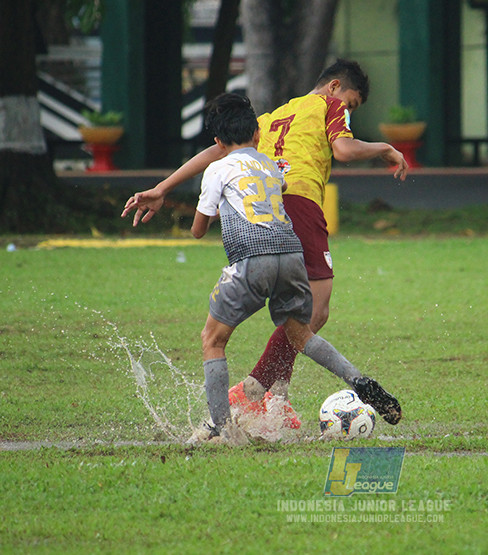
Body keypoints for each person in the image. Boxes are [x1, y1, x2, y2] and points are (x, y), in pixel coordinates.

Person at [123, 59, 408, 428]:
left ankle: (273, 397)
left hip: (261, 214)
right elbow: (344, 151)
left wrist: (163, 188)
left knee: (288, 318)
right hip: (300, 204)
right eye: (352, 104)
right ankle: (258, 391)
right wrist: (385, 147)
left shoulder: (271, 117)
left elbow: (218, 152)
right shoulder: (330, 105)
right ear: (336, 87)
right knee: (314, 314)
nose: (348, 112)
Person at [188, 93, 400, 443]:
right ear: (258, 135)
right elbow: (281, 186)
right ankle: (359, 381)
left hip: (252, 260)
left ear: (217, 142)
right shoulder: (271, 165)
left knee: (213, 340)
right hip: (291, 256)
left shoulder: (216, 168)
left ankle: (221, 429)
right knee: (300, 335)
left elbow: (198, 230)